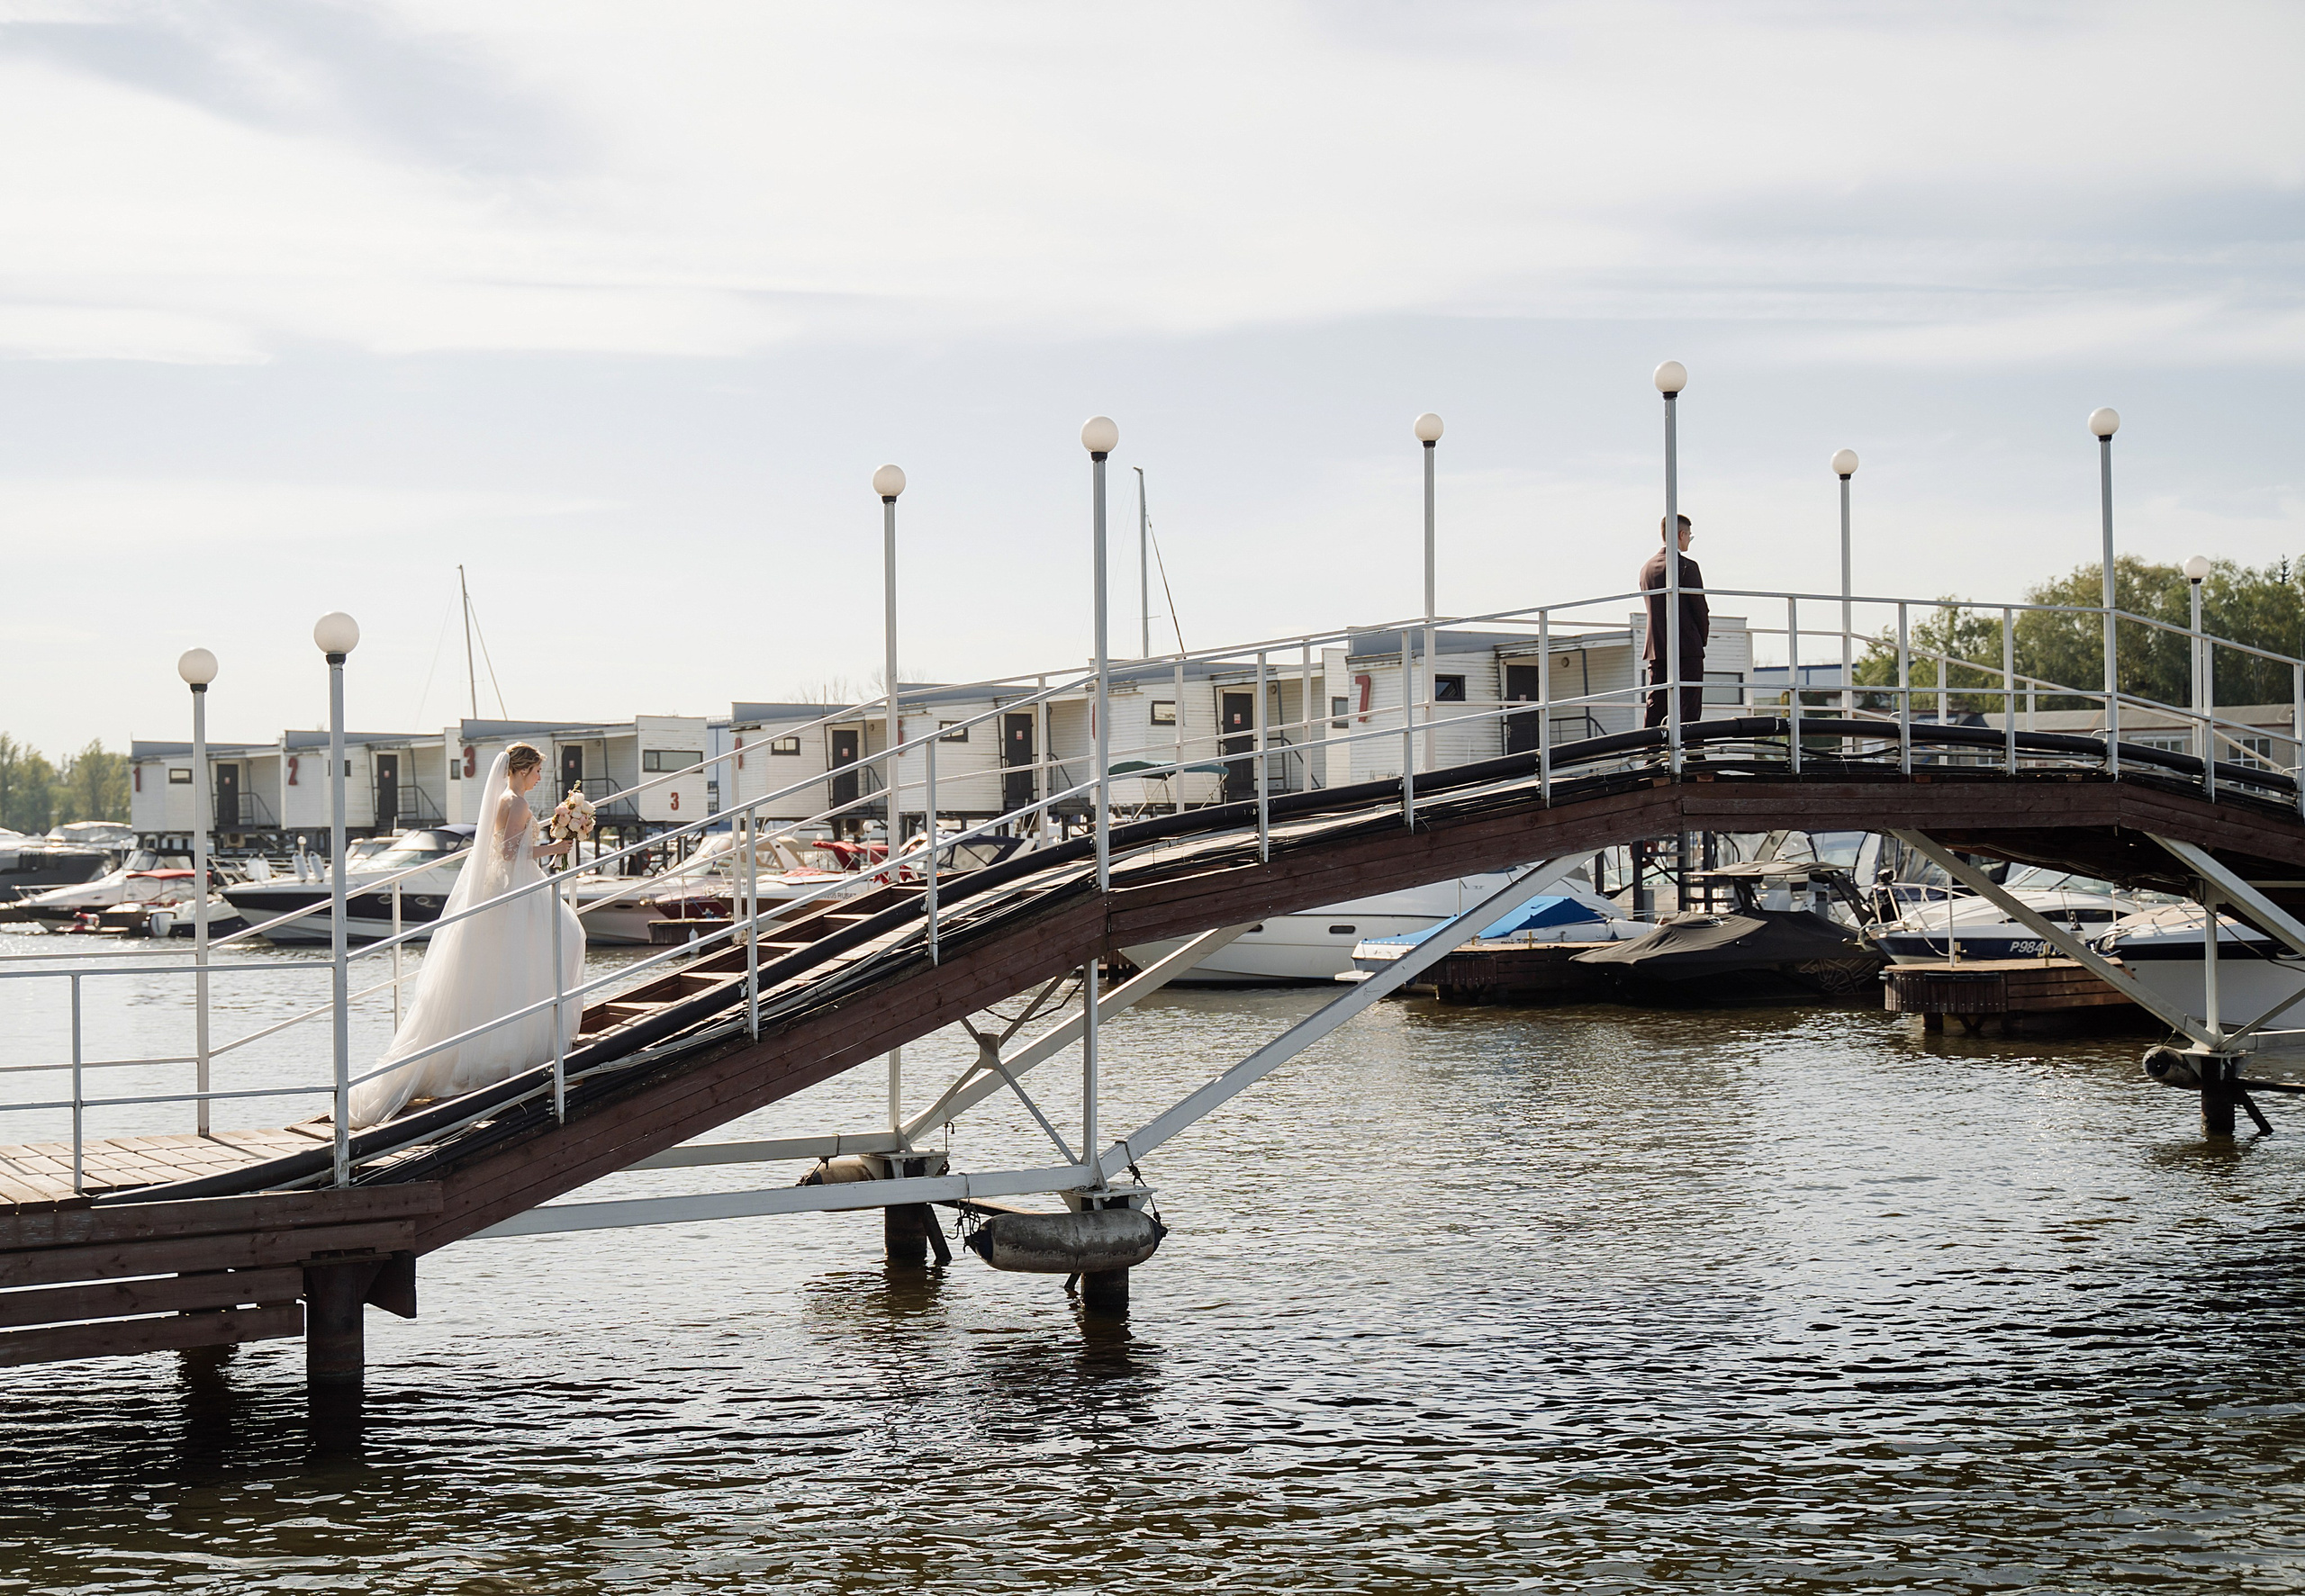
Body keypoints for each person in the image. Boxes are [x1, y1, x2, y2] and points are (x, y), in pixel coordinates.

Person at [348, 742, 589, 1129]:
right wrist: (556, 846)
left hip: (508, 887)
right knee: (567, 939)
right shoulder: (516, 803)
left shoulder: (504, 800)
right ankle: (524, 1044)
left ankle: (520, 1036)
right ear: (524, 770)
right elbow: (511, 853)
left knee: (517, 961)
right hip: (517, 888)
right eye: (538, 770)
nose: (541, 777)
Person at [1641, 512, 1709, 730]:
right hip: (1687, 646)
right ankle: (1693, 753)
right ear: (1681, 534)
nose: (1689, 539)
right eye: (1689, 535)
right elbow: (1700, 609)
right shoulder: (1688, 566)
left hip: (1657, 647)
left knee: (1656, 704)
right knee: (1689, 706)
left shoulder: (1647, 569)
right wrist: (1701, 640)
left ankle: (1650, 755)